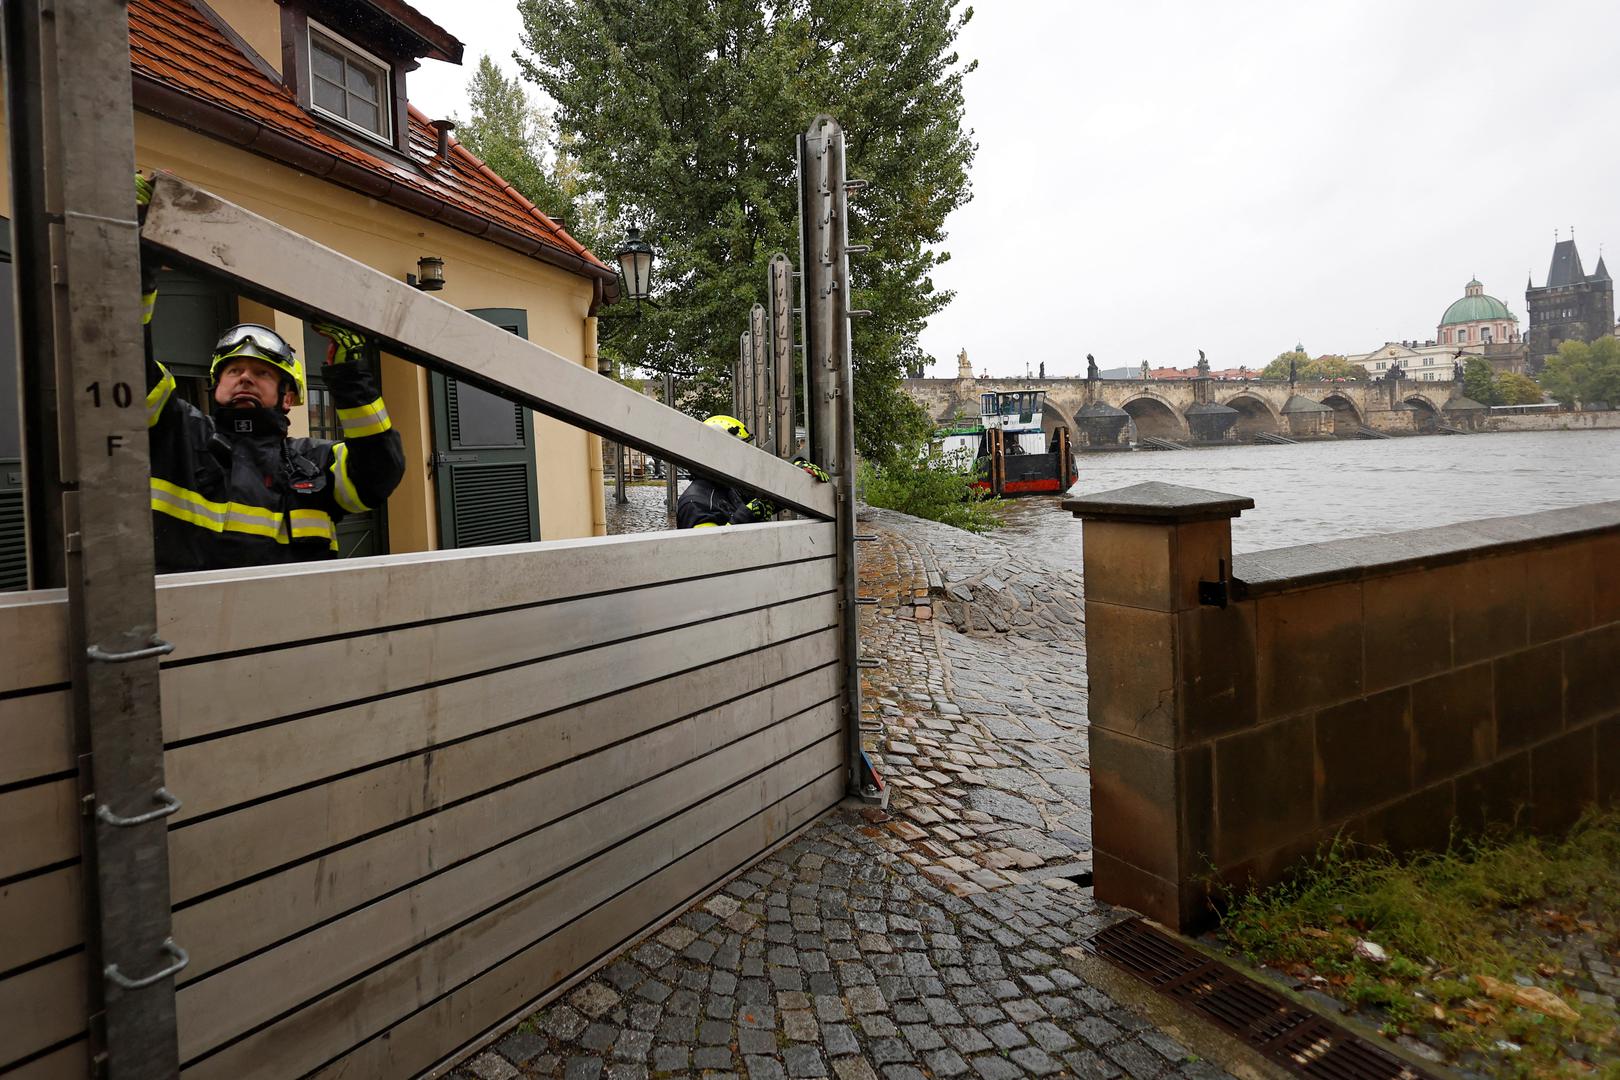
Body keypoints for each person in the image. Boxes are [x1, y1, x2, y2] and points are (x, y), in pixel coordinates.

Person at [136, 174, 405, 572]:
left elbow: (379, 471)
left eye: (262, 373)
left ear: (289, 396)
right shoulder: (176, 433)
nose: (245, 378)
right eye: (235, 370)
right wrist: (135, 255)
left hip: (291, 631)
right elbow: (122, 355)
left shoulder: (314, 463)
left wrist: (350, 376)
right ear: (216, 385)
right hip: (187, 630)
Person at [676, 414, 828, 529]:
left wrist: (796, 473)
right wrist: (747, 516)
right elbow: (709, 555)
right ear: (720, 453)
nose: (747, 458)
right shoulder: (695, 503)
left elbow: (769, 498)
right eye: (742, 451)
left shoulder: (725, 485)